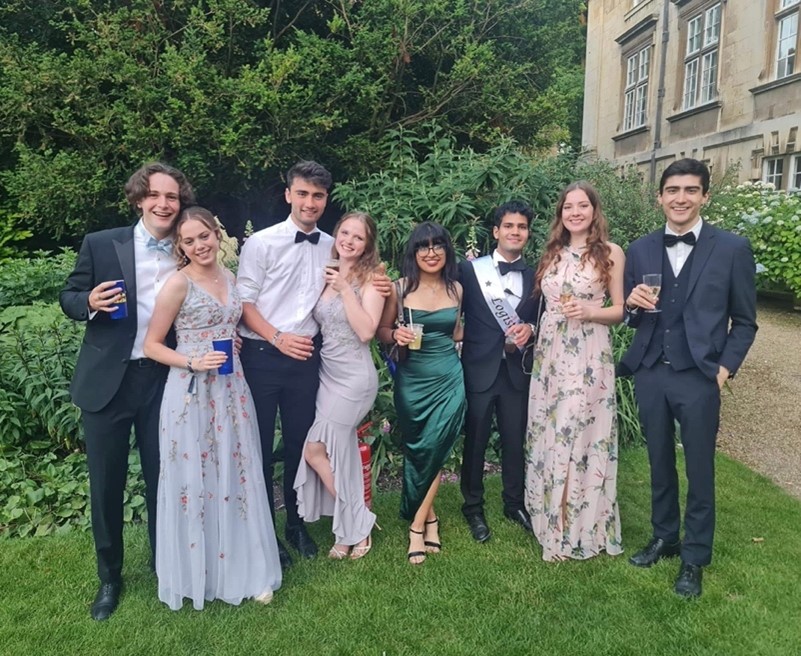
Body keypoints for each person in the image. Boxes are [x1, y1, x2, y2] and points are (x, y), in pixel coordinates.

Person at [236, 160, 390, 567]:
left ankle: (296, 525)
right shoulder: (261, 244)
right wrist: (276, 337)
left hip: (310, 362)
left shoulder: (331, 246)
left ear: (326, 201)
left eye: (318, 196)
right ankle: (266, 531)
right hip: (265, 356)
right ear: (288, 195)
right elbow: (244, 304)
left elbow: (368, 286)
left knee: (301, 444)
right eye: (302, 193)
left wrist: (385, 287)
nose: (309, 202)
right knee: (261, 445)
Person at [60, 162, 195, 620]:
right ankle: (110, 578)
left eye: (172, 197)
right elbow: (69, 296)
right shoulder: (102, 243)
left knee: (164, 479)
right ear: (139, 198)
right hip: (107, 384)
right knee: (106, 485)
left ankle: (167, 568)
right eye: (155, 195)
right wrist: (89, 303)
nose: (164, 204)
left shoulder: (187, 249)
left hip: (163, 383)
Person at [621, 158, 757, 597]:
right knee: (659, 461)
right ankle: (665, 535)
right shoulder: (640, 249)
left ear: (704, 197)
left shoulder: (732, 248)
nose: (681, 198)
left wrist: (722, 370)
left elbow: (746, 322)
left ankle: (695, 557)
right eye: (673, 190)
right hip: (650, 372)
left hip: (699, 376)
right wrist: (632, 305)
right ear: (659, 196)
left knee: (699, 469)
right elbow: (630, 317)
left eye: (691, 190)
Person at [143, 206, 282, 610]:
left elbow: (229, 322)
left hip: (232, 390)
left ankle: (246, 568)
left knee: (236, 474)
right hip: (191, 393)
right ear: (181, 247)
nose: (199, 245)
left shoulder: (230, 277)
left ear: (216, 234)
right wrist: (191, 360)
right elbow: (153, 345)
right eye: (188, 241)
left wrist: (232, 340)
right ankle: (198, 573)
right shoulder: (177, 284)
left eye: (204, 236)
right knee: (196, 478)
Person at [524, 181, 625, 562]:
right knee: (551, 429)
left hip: (587, 352)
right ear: (561, 214)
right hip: (550, 355)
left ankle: (575, 524)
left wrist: (589, 312)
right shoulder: (551, 253)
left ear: (594, 211)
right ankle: (551, 514)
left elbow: (619, 310)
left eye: (583, 206)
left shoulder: (611, 253)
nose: (575, 212)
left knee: (579, 430)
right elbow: (542, 306)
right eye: (569, 207)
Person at [293, 212, 384, 560]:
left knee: (315, 449)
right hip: (326, 375)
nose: (349, 240)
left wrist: (347, 289)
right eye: (344, 232)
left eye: (358, 237)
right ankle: (354, 525)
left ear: (367, 245)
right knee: (337, 453)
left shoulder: (373, 279)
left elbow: (366, 331)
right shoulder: (326, 270)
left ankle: (356, 522)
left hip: (355, 378)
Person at [377, 222, 466, 565]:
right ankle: (430, 516)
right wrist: (394, 335)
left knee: (439, 447)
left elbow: (457, 330)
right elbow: (383, 331)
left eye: (438, 245)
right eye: (423, 247)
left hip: (448, 377)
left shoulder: (457, 289)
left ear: (446, 250)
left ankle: (417, 526)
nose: (431, 253)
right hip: (412, 379)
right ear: (414, 253)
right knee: (418, 448)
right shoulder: (399, 289)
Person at [458, 201, 538, 543]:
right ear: (496, 231)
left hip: (518, 370)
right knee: (474, 442)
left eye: (521, 227)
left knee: (514, 440)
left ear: (528, 234)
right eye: (509, 226)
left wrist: (532, 328)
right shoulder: (469, 271)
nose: (515, 232)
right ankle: (473, 507)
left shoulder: (538, 276)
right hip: (478, 367)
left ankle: (513, 503)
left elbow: (545, 317)